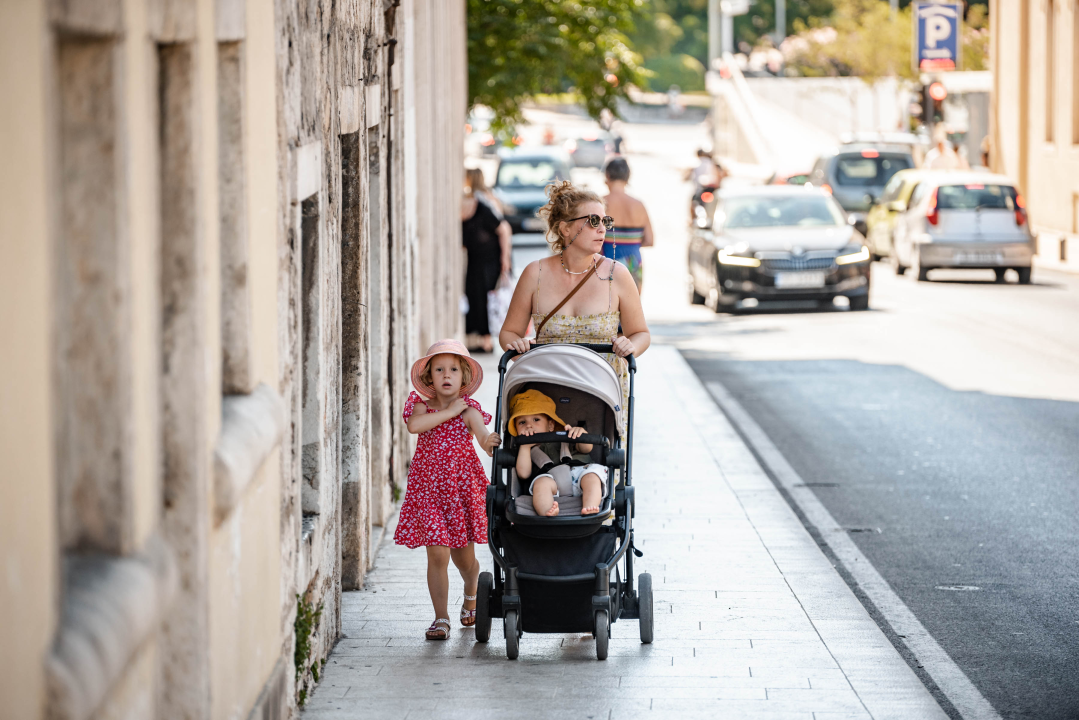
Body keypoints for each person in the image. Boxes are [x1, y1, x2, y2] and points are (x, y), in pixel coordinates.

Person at [498, 181, 651, 429]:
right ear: (565, 228)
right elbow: (508, 332)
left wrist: (629, 344)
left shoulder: (617, 275)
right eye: (593, 221)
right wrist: (517, 344)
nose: (602, 229)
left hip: (599, 395)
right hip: (545, 390)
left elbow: (641, 333)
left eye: (606, 222)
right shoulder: (534, 273)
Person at [394, 340, 501, 641]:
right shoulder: (419, 405)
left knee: (463, 559)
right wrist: (449, 410)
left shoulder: (469, 410)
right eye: (439, 369)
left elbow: (481, 435)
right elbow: (415, 426)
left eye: (453, 369)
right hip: (428, 491)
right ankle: (440, 618)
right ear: (429, 377)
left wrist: (490, 442)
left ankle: (471, 589)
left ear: (464, 377)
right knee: (437, 556)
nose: (446, 374)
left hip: (459, 492)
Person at [509, 389, 608, 517]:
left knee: (592, 477)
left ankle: (590, 505)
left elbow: (586, 448)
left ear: (550, 425)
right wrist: (525, 447)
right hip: (551, 481)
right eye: (522, 422)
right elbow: (523, 474)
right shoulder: (526, 450)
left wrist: (581, 433)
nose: (529, 426)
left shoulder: (565, 435)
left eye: (536, 420)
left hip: (579, 473)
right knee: (540, 484)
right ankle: (547, 511)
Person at [462, 169, 511, 352]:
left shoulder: (484, 202)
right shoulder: (473, 201)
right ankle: (481, 339)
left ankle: (487, 341)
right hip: (476, 258)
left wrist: (505, 259)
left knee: (486, 297)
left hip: (490, 259)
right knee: (473, 294)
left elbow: (504, 229)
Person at [602, 157, 654, 291]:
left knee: (607, 307)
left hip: (606, 260)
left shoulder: (600, 204)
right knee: (632, 307)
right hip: (633, 262)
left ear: (607, 176)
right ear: (627, 177)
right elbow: (649, 240)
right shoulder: (639, 205)